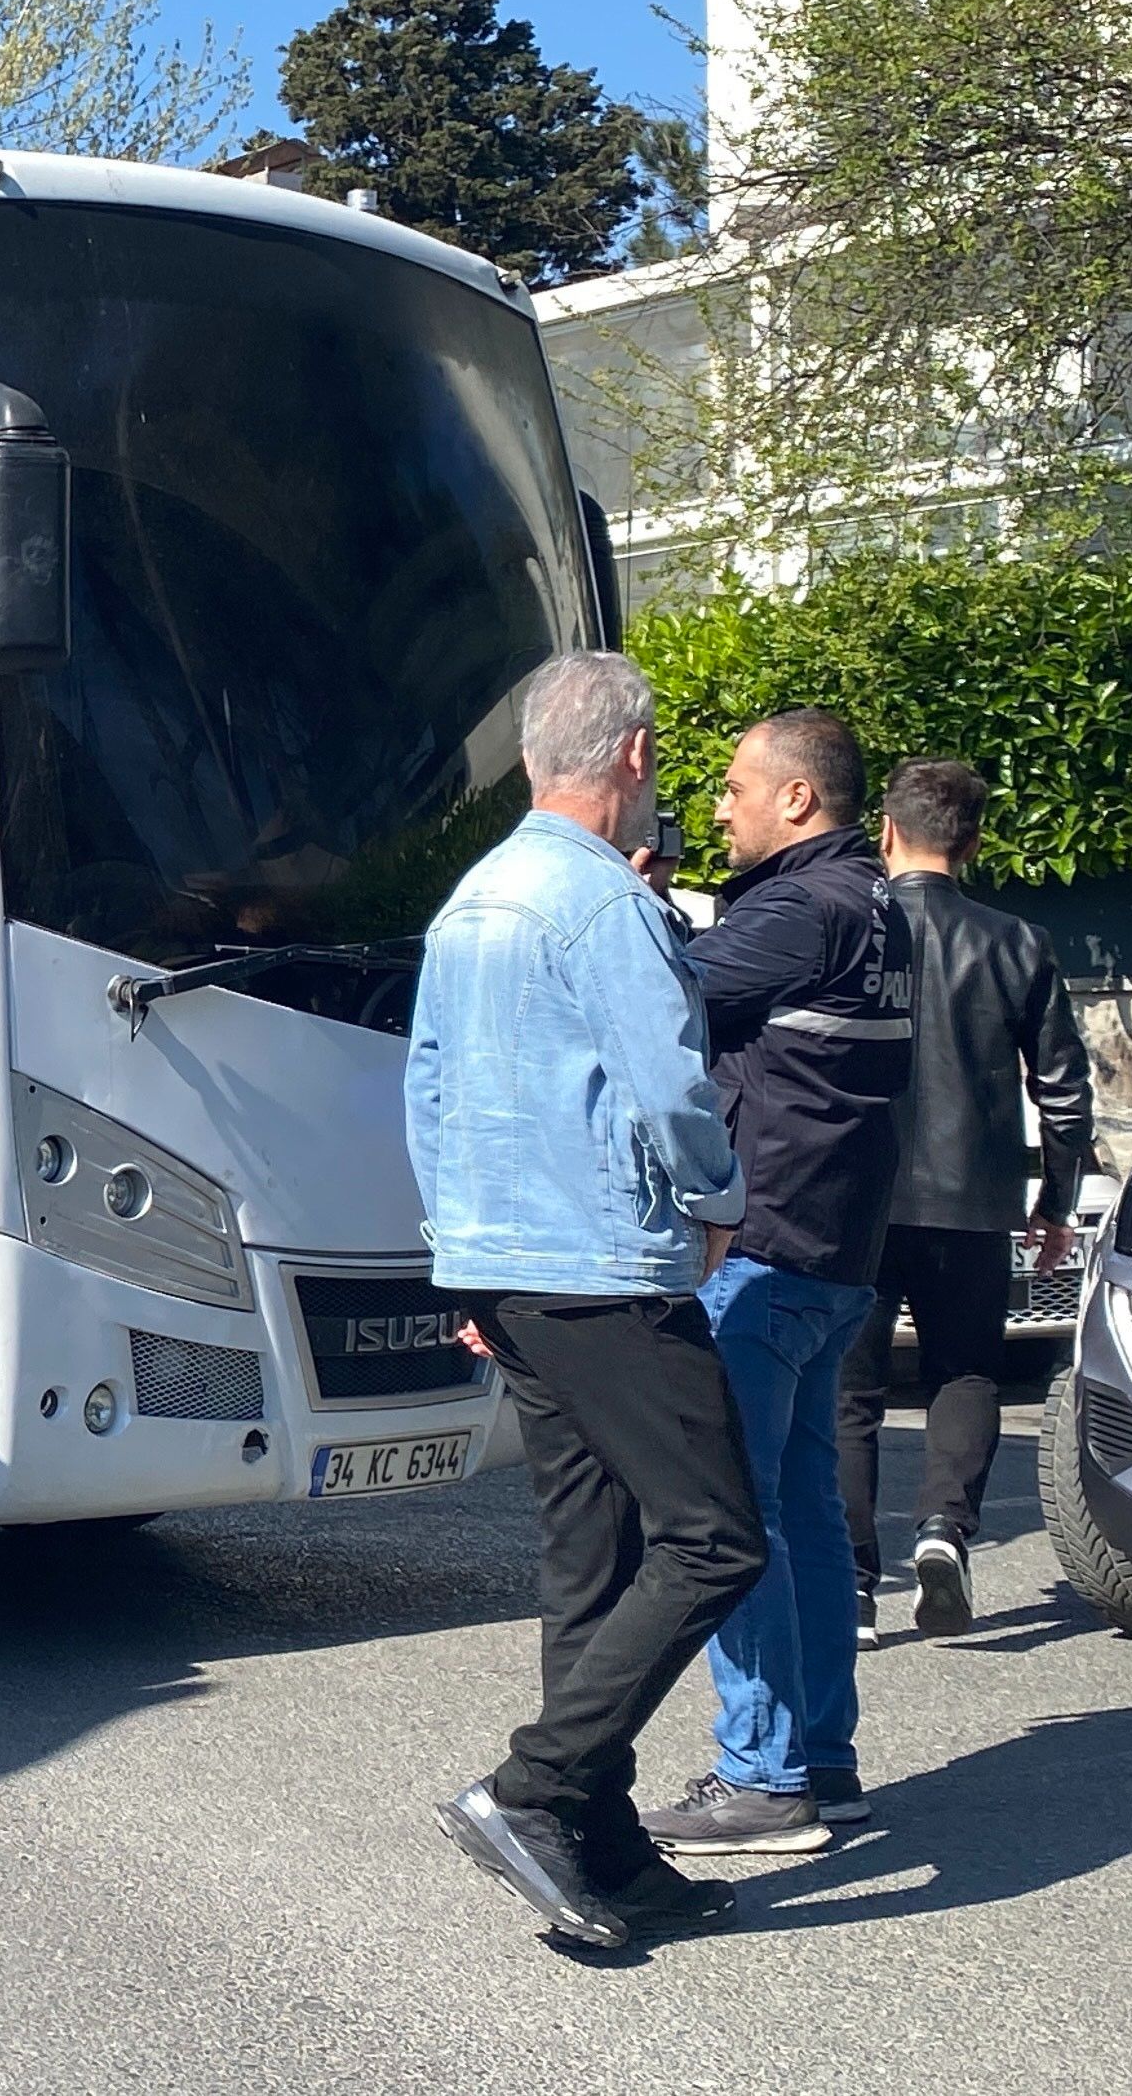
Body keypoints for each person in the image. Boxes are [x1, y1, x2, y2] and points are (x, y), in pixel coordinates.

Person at [407, 651, 763, 1953]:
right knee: (716, 1536)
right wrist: (718, 1195)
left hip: (511, 1267)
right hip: (604, 1261)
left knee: (592, 1555)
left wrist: (461, 1258)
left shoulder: (473, 903)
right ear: (631, 757)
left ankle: (599, 1848)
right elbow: (670, 1088)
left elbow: (430, 1088)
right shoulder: (602, 905)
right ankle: (531, 1790)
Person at [645, 708, 914, 1858]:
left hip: (763, 1250)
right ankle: (823, 1762)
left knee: (737, 1515)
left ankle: (762, 1778)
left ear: (799, 800)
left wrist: (630, 903)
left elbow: (657, 999)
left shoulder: (799, 909)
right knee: (802, 1515)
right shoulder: (879, 903)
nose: (719, 806)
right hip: (840, 1256)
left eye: (737, 787)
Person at [838, 759, 1090, 1643]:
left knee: (849, 1392)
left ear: (886, 831)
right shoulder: (1018, 941)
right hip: (974, 1197)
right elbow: (1062, 1086)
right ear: (974, 843)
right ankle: (945, 1529)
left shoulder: (850, 931)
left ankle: (855, 1582)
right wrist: (1057, 1200)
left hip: (855, 1195)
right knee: (966, 1372)